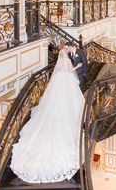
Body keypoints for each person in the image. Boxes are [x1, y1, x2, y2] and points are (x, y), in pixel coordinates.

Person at [10, 49, 85, 183]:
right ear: (65, 54)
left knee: (56, 102)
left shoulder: (59, 65)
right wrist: (78, 66)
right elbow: (70, 70)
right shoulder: (67, 61)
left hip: (60, 82)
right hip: (66, 81)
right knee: (67, 103)